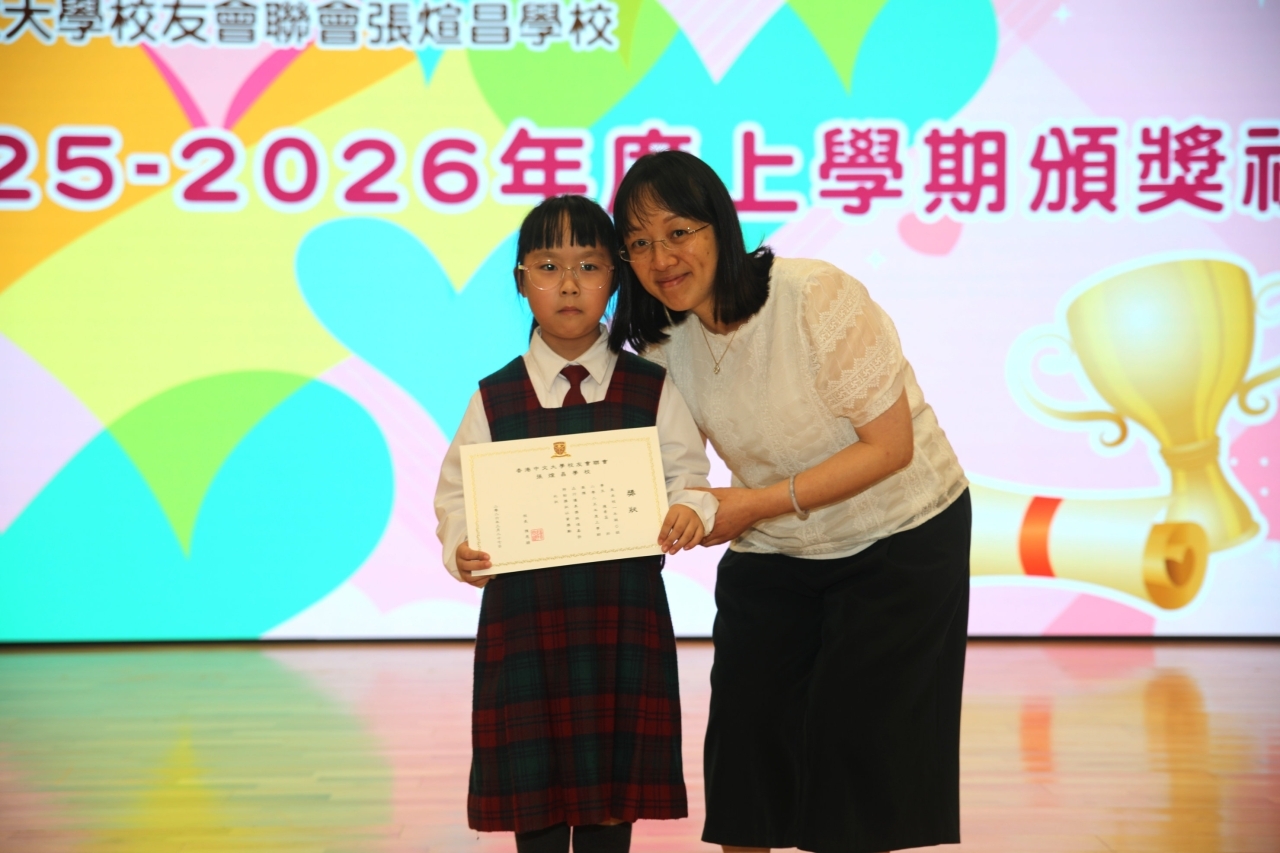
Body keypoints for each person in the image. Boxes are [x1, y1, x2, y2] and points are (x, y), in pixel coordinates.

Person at [608, 151, 971, 853]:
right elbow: (675, 467)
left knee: (853, 748)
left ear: (719, 225)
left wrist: (750, 505)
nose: (662, 258)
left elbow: (889, 448)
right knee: (745, 739)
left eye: (678, 232)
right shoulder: (661, 346)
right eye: (640, 243)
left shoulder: (813, 296)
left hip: (900, 533)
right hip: (776, 541)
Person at [434, 194, 719, 853]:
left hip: (621, 619)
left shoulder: (650, 387)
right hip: (523, 624)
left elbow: (690, 477)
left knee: (610, 798)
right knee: (532, 799)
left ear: (615, 278)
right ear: (520, 281)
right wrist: (461, 546)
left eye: (588, 266)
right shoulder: (493, 396)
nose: (568, 284)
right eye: (548, 266)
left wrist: (690, 510)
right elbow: (456, 495)